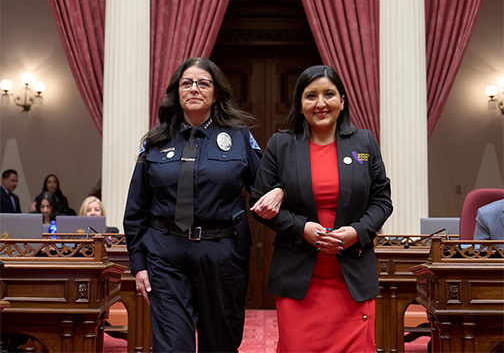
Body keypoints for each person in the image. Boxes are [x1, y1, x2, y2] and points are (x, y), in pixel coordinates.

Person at [123, 57, 283, 353]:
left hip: (221, 254)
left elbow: (265, 189)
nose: (194, 89)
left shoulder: (238, 137)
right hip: (165, 253)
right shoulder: (156, 141)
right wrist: (138, 264)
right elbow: (137, 207)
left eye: (203, 83)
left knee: (220, 343)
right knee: (172, 346)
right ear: (177, 92)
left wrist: (281, 191)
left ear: (216, 93)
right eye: (187, 83)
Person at [249, 65, 393, 352]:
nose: (320, 103)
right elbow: (259, 203)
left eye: (329, 94)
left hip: (352, 276)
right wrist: (302, 229)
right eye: (310, 96)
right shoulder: (281, 145)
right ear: (300, 105)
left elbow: (382, 201)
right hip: (299, 281)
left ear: (342, 100)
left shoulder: (363, 142)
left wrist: (356, 232)